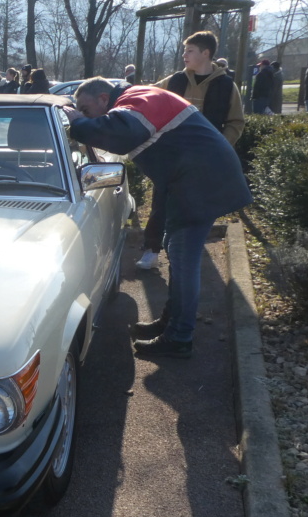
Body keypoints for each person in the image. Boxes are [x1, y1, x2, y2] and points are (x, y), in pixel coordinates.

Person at [63, 78, 252, 358]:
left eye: (87, 108)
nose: (86, 114)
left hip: (201, 183)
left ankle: (179, 338)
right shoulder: (138, 98)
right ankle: (171, 324)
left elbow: (122, 133)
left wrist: (78, 124)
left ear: (104, 98)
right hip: (197, 180)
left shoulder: (136, 99)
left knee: (183, 259)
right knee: (178, 254)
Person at [146, 30, 245, 270]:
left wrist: (220, 146)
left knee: (195, 204)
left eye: (189, 50)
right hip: (172, 157)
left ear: (206, 53)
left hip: (204, 162)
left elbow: (236, 122)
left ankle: (188, 248)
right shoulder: (174, 80)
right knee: (161, 201)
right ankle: (151, 249)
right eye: (184, 50)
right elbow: (148, 94)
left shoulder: (226, 86)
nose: (184, 55)